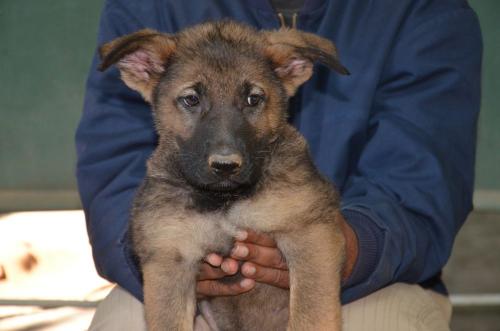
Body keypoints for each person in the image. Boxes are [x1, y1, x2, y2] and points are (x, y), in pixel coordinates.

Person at [76, 0, 482, 330]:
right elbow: (112, 169)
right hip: (194, 294)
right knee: (122, 323)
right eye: (191, 101)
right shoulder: (149, 9)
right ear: (143, 69)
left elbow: (423, 185)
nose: (225, 152)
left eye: (253, 101)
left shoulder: (423, 12)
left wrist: (346, 249)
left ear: (293, 70)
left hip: (370, 282)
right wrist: (157, 254)